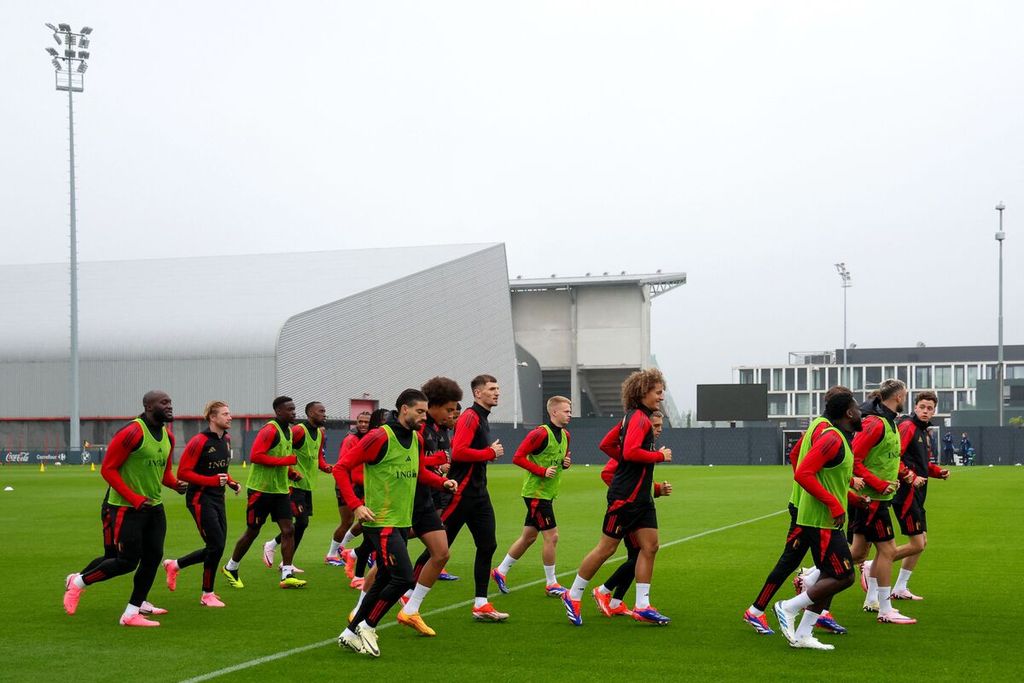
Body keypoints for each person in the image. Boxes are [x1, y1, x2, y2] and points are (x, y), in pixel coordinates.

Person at [335, 389, 458, 657]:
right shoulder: (379, 436)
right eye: (420, 412)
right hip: (382, 521)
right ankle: (367, 626)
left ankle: (349, 633)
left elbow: (417, 472)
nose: (424, 417)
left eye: (426, 412)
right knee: (402, 578)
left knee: (386, 578)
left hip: (401, 520)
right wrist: (356, 505)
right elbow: (340, 468)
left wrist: (442, 482)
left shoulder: (415, 438)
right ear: (404, 409)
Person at [560, 368, 672, 627]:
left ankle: (642, 605)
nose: (661, 397)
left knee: (650, 546)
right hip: (624, 498)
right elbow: (631, 451)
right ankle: (573, 594)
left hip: (641, 497)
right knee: (606, 548)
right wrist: (657, 456)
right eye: (658, 392)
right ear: (643, 392)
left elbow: (607, 446)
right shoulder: (638, 419)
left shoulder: (635, 418)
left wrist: (629, 463)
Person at [63, 390, 184, 626]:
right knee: (126, 561)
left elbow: (165, 474)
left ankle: (131, 613)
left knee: (153, 558)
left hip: (154, 507)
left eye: (170, 402)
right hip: (126, 508)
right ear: (148, 407)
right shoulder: (132, 432)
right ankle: (78, 583)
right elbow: (108, 469)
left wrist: (176, 485)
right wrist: (134, 498)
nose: (169, 406)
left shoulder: (168, 437)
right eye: (164, 402)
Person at [744, 386, 856, 636]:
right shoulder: (825, 430)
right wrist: (810, 487)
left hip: (810, 504)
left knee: (829, 566)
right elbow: (803, 467)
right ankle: (757, 610)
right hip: (807, 509)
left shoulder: (819, 426)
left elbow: (797, 456)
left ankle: (813, 615)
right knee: (799, 562)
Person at [772, 389, 862, 651]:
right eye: (856, 408)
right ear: (848, 413)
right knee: (844, 576)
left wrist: (852, 500)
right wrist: (834, 504)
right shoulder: (832, 438)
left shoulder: (842, 439)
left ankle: (803, 634)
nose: (860, 413)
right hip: (818, 521)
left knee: (830, 575)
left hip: (827, 520)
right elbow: (803, 473)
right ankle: (787, 607)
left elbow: (830, 480)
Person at [419, 374, 508, 621]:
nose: (497, 392)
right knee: (438, 548)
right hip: (461, 493)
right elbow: (458, 452)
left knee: (488, 544)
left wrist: (487, 453)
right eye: (492, 388)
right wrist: (489, 452)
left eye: (498, 387)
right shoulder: (469, 415)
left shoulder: (482, 417)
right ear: (478, 393)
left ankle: (481, 603)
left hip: (479, 493)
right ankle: (407, 590)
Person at [394, 376, 463, 636]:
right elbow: (415, 464)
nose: (453, 414)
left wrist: (442, 477)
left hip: (426, 499)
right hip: (408, 499)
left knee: (441, 553)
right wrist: (439, 464)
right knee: (390, 563)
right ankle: (359, 610)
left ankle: (411, 608)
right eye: (448, 409)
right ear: (432, 406)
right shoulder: (418, 429)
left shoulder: (441, 430)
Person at [491, 396, 574, 598]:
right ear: (554, 412)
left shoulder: (566, 435)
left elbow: (560, 459)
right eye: (566, 411)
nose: (569, 414)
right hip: (536, 494)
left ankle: (500, 571)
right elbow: (517, 457)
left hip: (548, 493)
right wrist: (541, 471)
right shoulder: (539, 433)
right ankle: (551, 583)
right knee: (552, 536)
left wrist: (564, 464)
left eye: (570, 411)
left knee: (528, 537)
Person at [849, 380, 916, 624]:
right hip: (871, 499)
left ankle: (811, 578)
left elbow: (887, 458)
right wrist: (879, 484)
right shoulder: (875, 423)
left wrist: (896, 477)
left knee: (857, 553)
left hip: (880, 497)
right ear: (898, 396)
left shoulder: (890, 422)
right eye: (906, 395)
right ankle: (885, 608)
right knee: (887, 551)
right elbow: (854, 460)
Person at [221, 396, 305, 589]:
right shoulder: (269, 430)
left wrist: (291, 472)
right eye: (289, 409)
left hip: (280, 490)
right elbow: (256, 456)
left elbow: (281, 457)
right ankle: (231, 566)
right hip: (261, 490)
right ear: (278, 412)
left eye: (294, 409)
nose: (293, 412)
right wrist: (287, 462)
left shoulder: (289, 432)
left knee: (289, 529)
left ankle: (287, 574)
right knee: (253, 531)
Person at [592, 410, 671, 618]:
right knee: (633, 554)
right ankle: (603, 591)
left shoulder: (648, 446)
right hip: (627, 507)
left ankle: (616, 600)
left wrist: (656, 489)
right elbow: (608, 472)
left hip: (639, 505)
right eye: (655, 426)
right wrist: (631, 495)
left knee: (638, 554)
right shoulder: (633, 443)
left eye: (661, 426)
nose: (659, 430)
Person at [163, 400, 240, 607]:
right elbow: (183, 473)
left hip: (218, 498)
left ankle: (175, 565)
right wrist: (213, 481)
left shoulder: (226, 439)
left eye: (229, 413)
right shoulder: (199, 441)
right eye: (225, 414)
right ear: (212, 418)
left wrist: (231, 483)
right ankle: (207, 594)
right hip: (199, 499)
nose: (230, 417)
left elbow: (220, 470)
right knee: (215, 546)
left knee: (218, 546)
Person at [890, 391, 950, 600]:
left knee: (921, 542)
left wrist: (937, 472)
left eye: (929, 408)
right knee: (917, 543)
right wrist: (908, 475)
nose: (925, 411)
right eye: (922, 407)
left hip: (917, 493)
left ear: (934, 411)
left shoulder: (925, 432)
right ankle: (874, 566)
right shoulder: (907, 427)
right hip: (905, 494)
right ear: (915, 407)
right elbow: (893, 458)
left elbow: (921, 464)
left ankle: (900, 587)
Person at [263, 401, 332, 570]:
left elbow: (318, 457)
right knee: (301, 522)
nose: (324, 414)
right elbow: (284, 449)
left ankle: (285, 561)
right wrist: (290, 470)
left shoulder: (321, 433)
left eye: (325, 411)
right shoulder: (299, 430)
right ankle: (272, 546)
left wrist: (327, 467)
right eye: (320, 411)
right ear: (310, 414)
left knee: (302, 524)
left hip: (307, 485)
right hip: (293, 484)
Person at [326, 411, 371, 566]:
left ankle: (343, 548)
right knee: (347, 521)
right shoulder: (350, 439)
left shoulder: (369, 438)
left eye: (366, 422)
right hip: (347, 485)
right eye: (360, 421)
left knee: (367, 520)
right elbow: (342, 467)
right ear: (356, 422)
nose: (363, 424)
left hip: (362, 485)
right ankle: (331, 554)